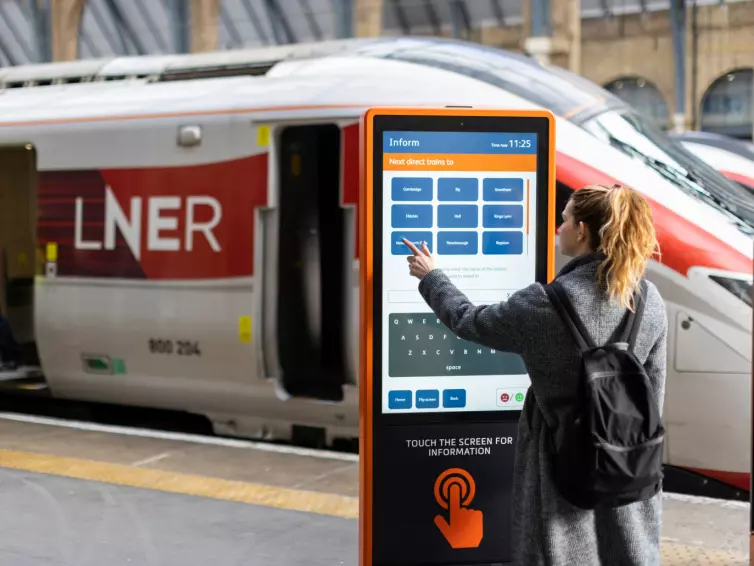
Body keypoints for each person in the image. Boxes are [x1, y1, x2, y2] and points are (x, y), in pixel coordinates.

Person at [404, 184, 667, 566]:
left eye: (563, 220)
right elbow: (653, 395)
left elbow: (469, 320)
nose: (558, 228)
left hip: (558, 468)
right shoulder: (648, 300)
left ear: (581, 230)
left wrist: (431, 277)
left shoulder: (543, 304)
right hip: (632, 469)